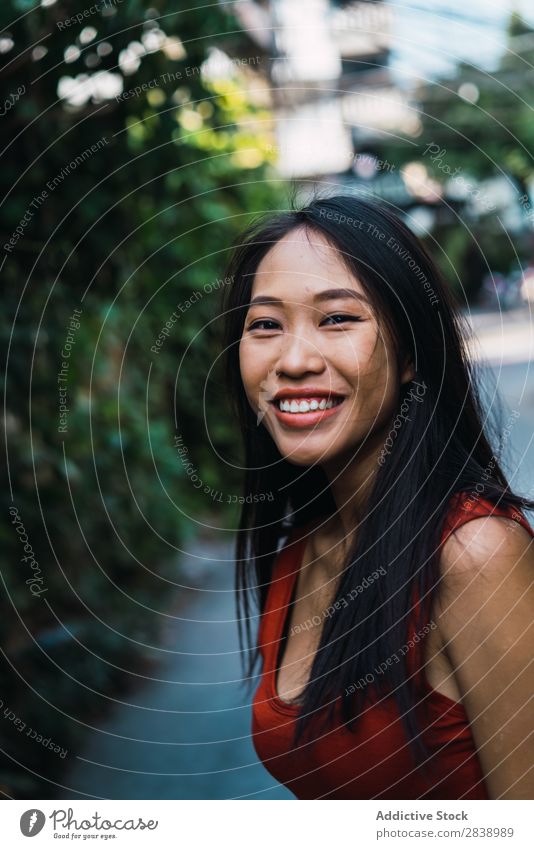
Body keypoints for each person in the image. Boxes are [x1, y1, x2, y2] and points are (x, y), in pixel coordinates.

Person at [220, 194, 534, 799]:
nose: (293, 359)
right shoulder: (302, 544)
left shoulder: (474, 556)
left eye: (337, 318)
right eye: (265, 325)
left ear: (412, 352)